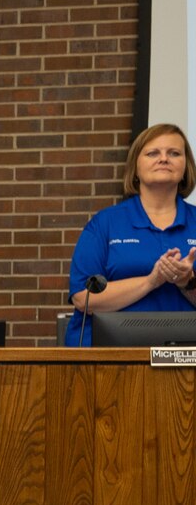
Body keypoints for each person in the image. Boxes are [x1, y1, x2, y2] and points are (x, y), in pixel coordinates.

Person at [64, 123, 196, 345]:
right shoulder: (104, 223)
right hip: (111, 362)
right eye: (153, 153)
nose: (164, 159)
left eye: (174, 153)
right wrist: (151, 281)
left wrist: (187, 282)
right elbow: (83, 298)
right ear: (135, 168)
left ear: (186, 167)